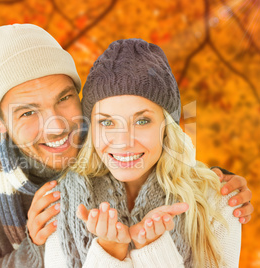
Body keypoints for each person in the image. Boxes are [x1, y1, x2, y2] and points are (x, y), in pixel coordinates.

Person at [0, 24, 253, 267]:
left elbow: (157, 146)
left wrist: (215, 183)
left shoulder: (100, 135)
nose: (57, 126)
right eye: (27, 112)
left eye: (64, 98)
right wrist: (36, 250)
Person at [45, 38, 244, 267]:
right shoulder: (60, 203)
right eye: (107, 123)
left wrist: (155, 251)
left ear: (167, 127)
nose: (123, 142)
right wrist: (109, 252)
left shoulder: (216, 201)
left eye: (142, 121)